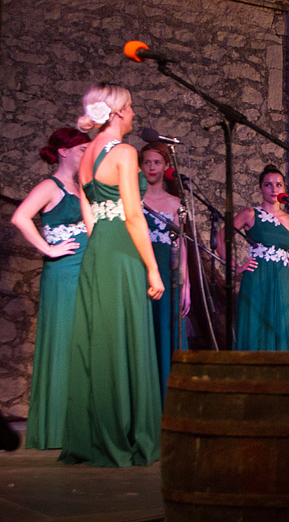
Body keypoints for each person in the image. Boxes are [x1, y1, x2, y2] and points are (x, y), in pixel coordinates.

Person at [59, 83, 164, 467]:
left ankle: (96, 434)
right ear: (118, 112)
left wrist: (100, 242)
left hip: (99, 247)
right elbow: (134, 216)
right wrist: (153, 268)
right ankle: (125, 433)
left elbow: (88, 210)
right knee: (123, 335)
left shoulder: (88, 152)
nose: (134, 112)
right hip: (122, 249)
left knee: (100, 338)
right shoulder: (123, 152)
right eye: (130, 106)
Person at [11, 128, 91, 449]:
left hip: (86, 270)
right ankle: (57, 427)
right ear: (64, 151)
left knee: (83, 342)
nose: (86, 153)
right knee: (64, 341)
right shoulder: (50, 186)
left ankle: (80, 424)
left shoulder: (81, 186)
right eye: (82, 149)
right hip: (64, 273)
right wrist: (48, 248)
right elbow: (20, 217)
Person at [219, 164, 289, 350]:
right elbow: (220, 239)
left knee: (280, 332)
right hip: (257, 280)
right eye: (268, 185)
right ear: (260, 189)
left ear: (284, 188)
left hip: (282, 283)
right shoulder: (250, 214)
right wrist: (235, 267)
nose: (274, 189)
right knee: (254, 330)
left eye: (278, 185)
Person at [140, 142, 190, 401]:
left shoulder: (176, 203)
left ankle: (169, 398)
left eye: (157, 162)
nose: (152, 167)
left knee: (167, 329)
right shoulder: (133, 200)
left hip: (169, 273)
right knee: (143, 329)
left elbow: (182, 245)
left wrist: (186, 285)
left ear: (166, 166)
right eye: (147, 162)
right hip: (139, 271)